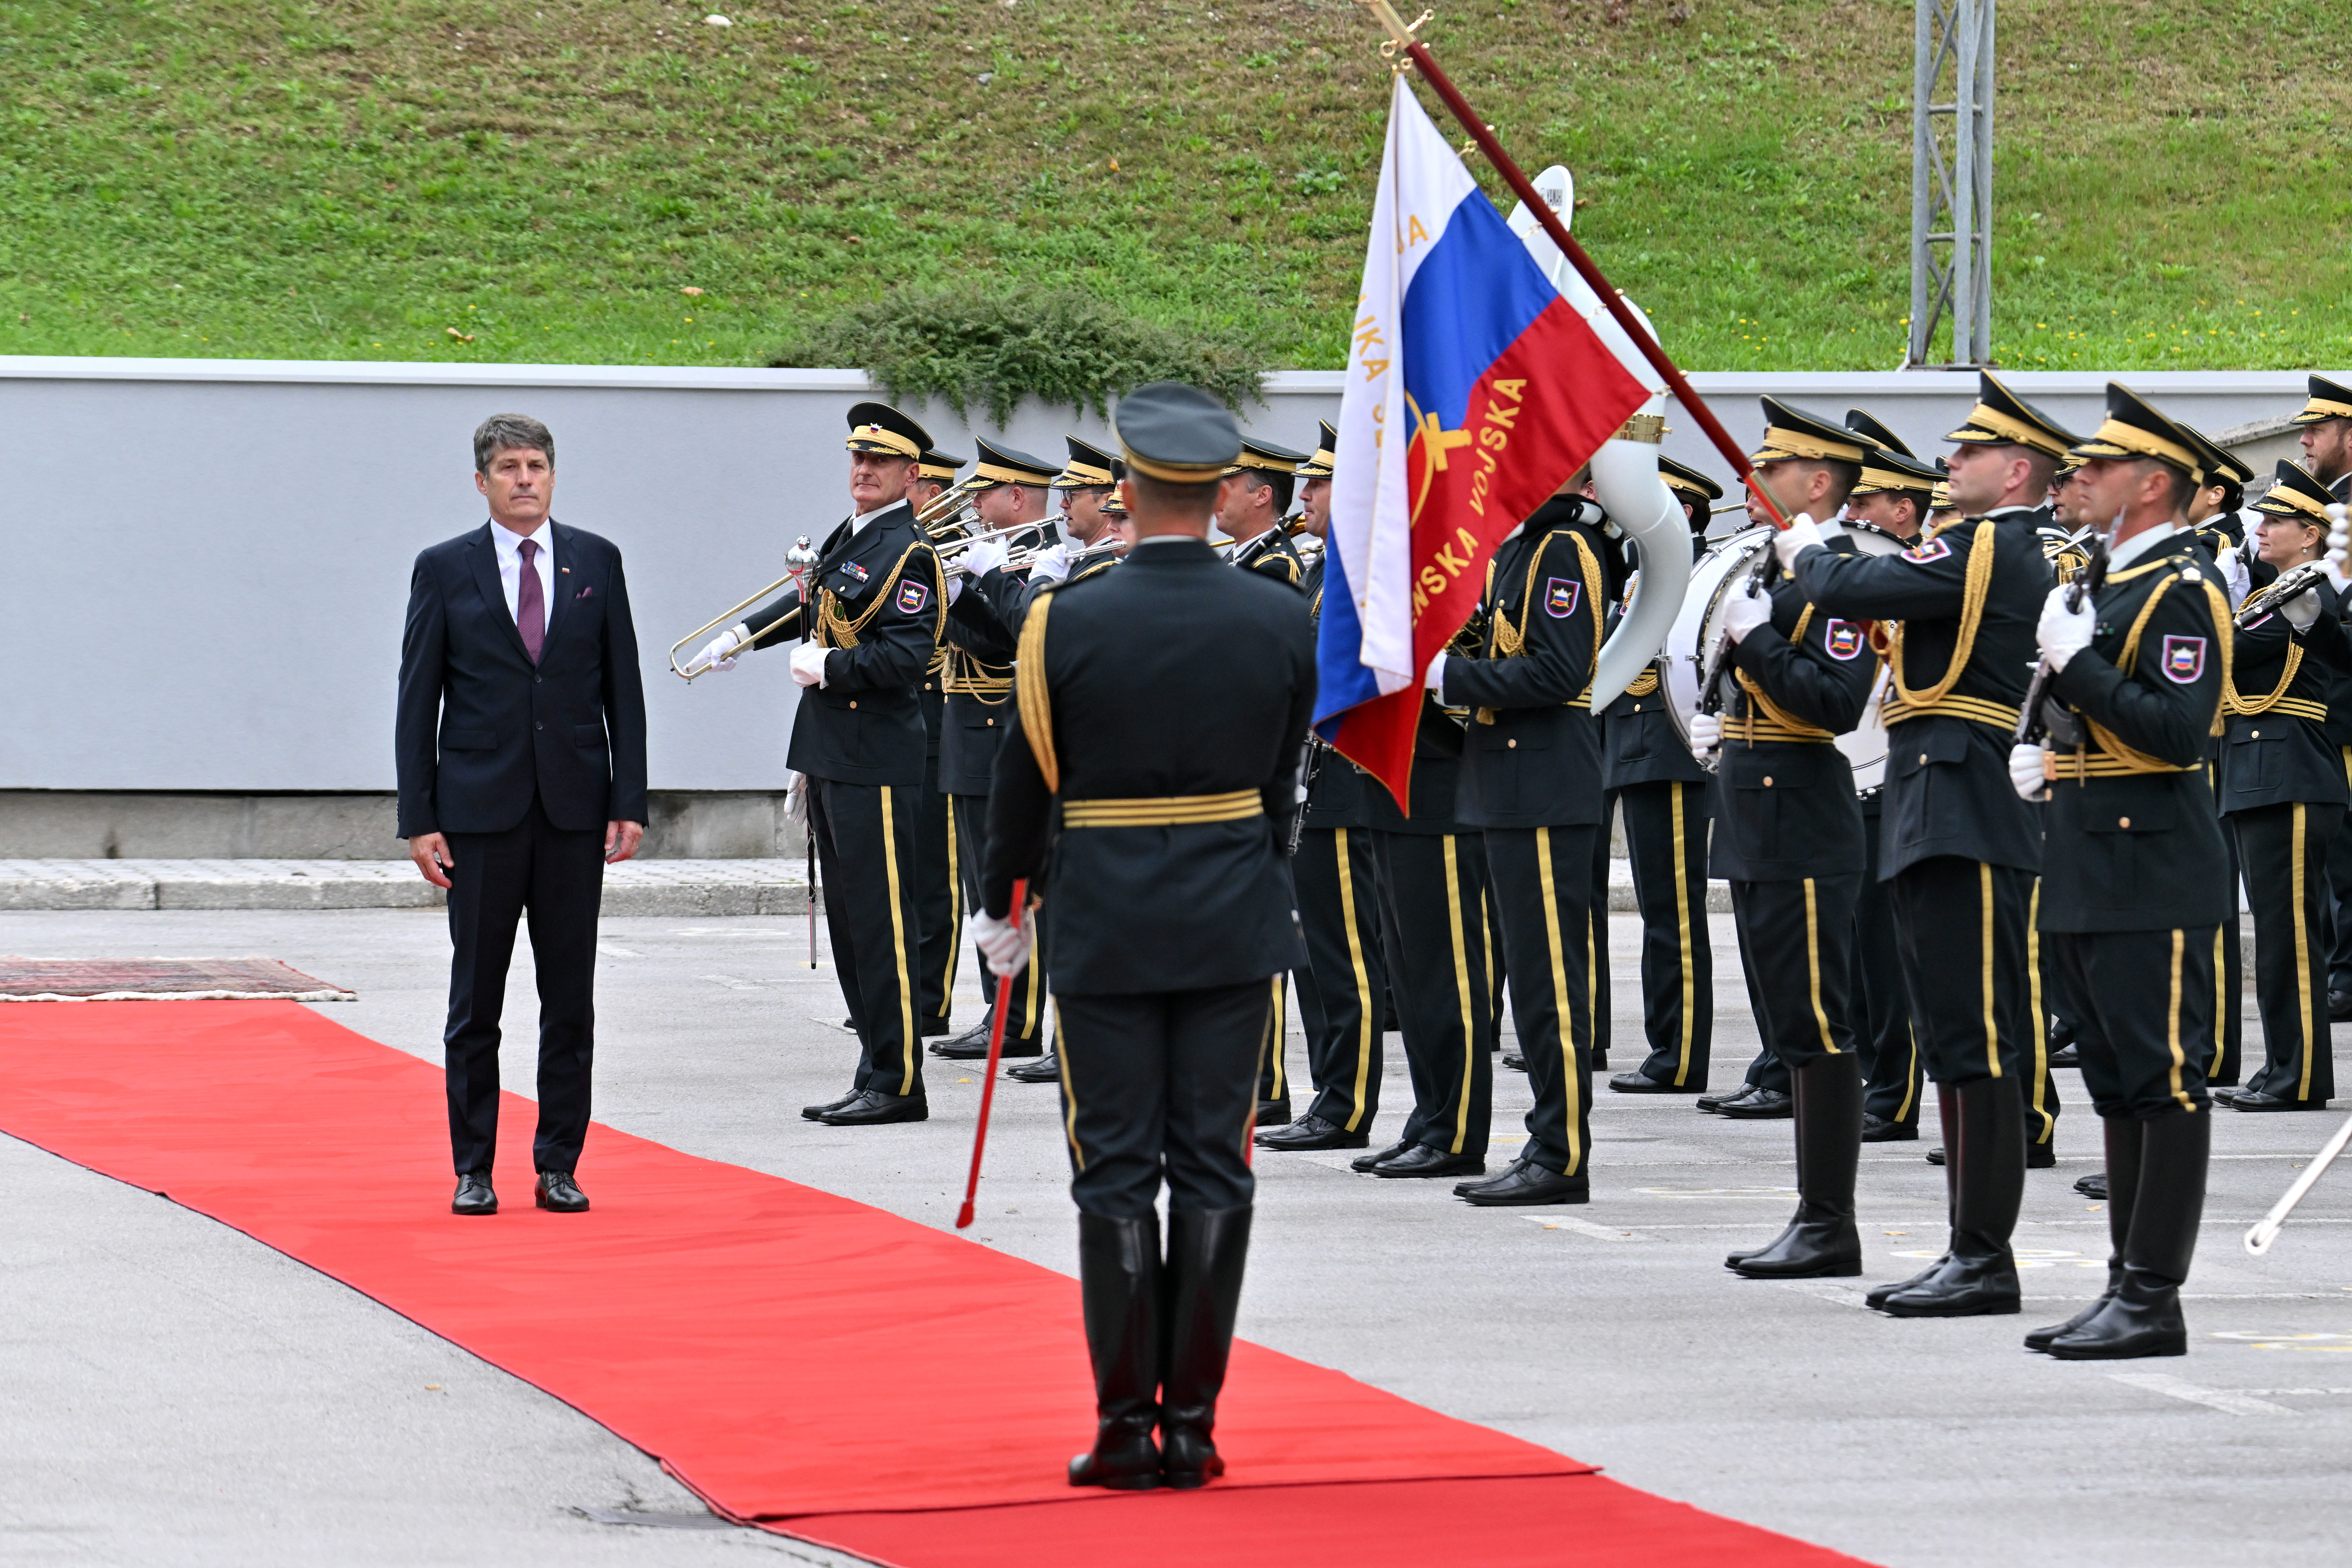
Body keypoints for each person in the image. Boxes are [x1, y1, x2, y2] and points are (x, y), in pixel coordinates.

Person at [973, 381, 1315, 1491]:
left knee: (1115, 1168)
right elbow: (1280, 784)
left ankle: (1127, 1425)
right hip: (1230, 913)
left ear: (1125, 489)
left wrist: (1002, 907)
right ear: (1220, 493)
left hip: (1107, 919)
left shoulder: (1065, 616)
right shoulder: (1278, 615)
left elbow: (1020, 789)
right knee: (1215, 1166)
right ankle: (1197, 1425)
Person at [1780, 370, 2068, 1317]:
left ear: (2015, 469)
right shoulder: (1985, 541)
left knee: (1973, 1034)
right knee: (1951, 1033)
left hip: (1962, 795)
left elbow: (1848, 584)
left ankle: (1982, 1252)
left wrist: (1810, 539)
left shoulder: (1993, 543)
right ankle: (1966, 1245)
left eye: (1969, 451)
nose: (1949, 462)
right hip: (1929, 788)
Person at [2008, 383, 2231, 1359]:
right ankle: (2119, 1283)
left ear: (2150, 484)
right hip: (2087, 849)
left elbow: (2177, 732)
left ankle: (2153, 1294)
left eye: (2095, 468)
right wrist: (2043, 742)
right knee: (2110, 1079)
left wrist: (2081, 666)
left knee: (2161, 1078)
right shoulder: (2102, 578)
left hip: (2152, 858)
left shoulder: (2183, 587)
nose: (2076, 478)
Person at [396, 413, 648, 1217]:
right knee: (476, 999)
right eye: (508, 467)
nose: (525, 479)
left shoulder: (596, 562)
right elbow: (417, 700)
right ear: (483, 482)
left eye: (536, 465)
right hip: (479, 812)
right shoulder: (445, 569)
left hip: (575, 811)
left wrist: (629, 800)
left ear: (552, 473)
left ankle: (558, 1162)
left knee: (569, 997)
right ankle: (474, 1166)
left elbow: (625, 692)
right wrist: (419, 815)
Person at [693, 402, 947, 1126]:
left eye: (880, 463)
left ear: (910, 475)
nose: (863, 472)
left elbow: (906, 657)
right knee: (849, 923)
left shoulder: (912, 551)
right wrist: (743, 634)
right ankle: (873, 1066)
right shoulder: (853, 534)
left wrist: (830, 666)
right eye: (857, 460)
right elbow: (811, 602)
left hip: (877, 759)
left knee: (883, 923)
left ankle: (900, 1081)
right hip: (834, 755)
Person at [1691, 400, 1883, 1279]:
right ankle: (1813, 1214)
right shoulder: (1770, 567)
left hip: (1802, 809)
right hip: (1756, 804)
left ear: (1815, 484)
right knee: (1788, 1025)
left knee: (1815, 1025)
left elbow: (1837, 701)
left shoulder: (1842, 575)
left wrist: (1759, 641)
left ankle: (1829, 1219)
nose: (1749, 480)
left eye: (1768, 470)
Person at [1428, 479, 1616, 1206]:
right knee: (1531, 981)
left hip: (1539, 783)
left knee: (1549, 985)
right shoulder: (1521, 548)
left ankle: (1561, 1152)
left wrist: (1452, 675)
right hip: (1509, 784)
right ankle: (1547, 1141)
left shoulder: (1563, 546)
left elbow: (1558, 671)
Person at [1258, 422, 1398, 1154]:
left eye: (1317, 482)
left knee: (1343, 957)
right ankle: (1327, 1092)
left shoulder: (1369, 570)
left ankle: (1348, 1103)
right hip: (1309, 784)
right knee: (1314, 955)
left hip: (1343, 786)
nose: (1303, 493)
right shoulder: (1324, 569)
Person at [2215, 461, 2346, 1113]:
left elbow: (2227, 655)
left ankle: (2298, 1076)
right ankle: (2283, 1068)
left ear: (2311, 534)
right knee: (2274, 936)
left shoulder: (2311, 594)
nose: (2260, 530)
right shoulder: (2266, 595)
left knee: (2291, 937)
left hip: (2291, 771)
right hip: (2258, 771)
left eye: (2276, 521)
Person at [929, 439, 1065, 1066]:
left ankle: (1019, 1013)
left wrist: (953, 600)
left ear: (1016, 496)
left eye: (984, 492)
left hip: (1000, 726)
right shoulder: (995, 553)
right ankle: (999, 1005)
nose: (972, 503)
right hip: (968, 729)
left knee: (1007, 882)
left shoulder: (1039, 558)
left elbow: (1010, 643)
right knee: (980, 885)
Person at [1604, 455, 1720, 1097]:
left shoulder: (1697, 570)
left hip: (1672, 750)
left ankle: (1681, 1054)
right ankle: (1667, 1043)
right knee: (1656, 908)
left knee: (1675, 909)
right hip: (1633, 744)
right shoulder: (1639, 571)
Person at [1840, 414, 1938, 1141]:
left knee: (1885, 946)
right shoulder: (1871, 572)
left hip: (1897, 774)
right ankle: (1869, 1077)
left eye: (1867, 502)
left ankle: (1894, 1095)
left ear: (1902, 510)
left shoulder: (1925, 572)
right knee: (1849, 946)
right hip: (1847, 776)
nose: (1853, 513)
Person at [909, 448, 968, 1043]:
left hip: (942, 712)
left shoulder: (941, 551)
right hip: (906, 713)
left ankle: (932, 997)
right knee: (910, 866)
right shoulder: (900, 542)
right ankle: (913, 992)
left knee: (936, 869)